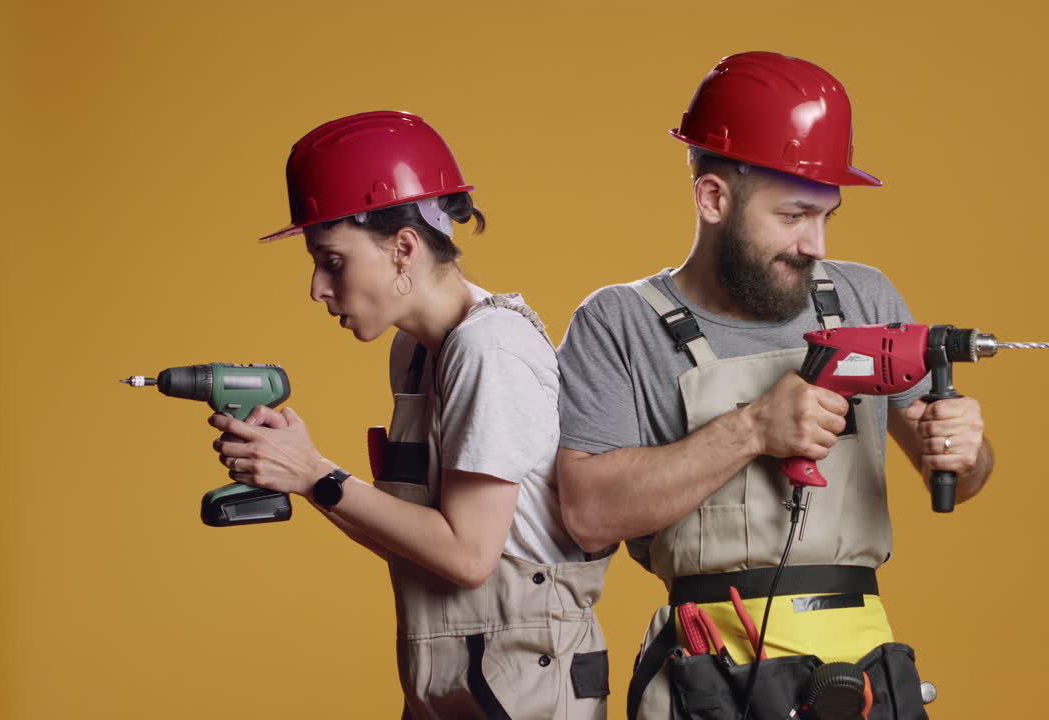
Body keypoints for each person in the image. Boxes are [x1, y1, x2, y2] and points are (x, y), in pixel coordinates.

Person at [554, 52, 994, 719]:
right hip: (711, 673)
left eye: (827, 216)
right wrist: (753, 428)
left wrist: (966, 451)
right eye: (792, 216)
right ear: (713, 198)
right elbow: (588, 514)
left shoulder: (864, 297)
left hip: (858, 667)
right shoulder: (618, 323)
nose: (814, 242)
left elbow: (960, 480)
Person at [209, 110, 612, 719]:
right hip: (457, 675)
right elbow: (421, 544)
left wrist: (318, 473)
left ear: (403, 248)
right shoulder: (418, 352)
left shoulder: (489, 348)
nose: (317, 287)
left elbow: (469, 557)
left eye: (333, 260)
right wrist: (304, 477)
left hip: (523, 685)